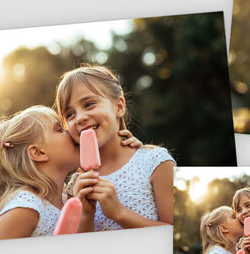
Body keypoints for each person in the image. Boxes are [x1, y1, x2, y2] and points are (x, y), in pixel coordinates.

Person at [56, 65, 174, 231]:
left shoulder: (155, 163)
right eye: (69, 115)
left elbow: (172, 232)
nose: (80, 118)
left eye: (89, 104)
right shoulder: (76, 185)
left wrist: (119, 213)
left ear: (119, 106)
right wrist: (86, 215)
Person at [0, 106, 80, 240]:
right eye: (60, 130)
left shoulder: (67, 198)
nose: (70, 132)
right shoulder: (26, 206)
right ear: (38, 152)